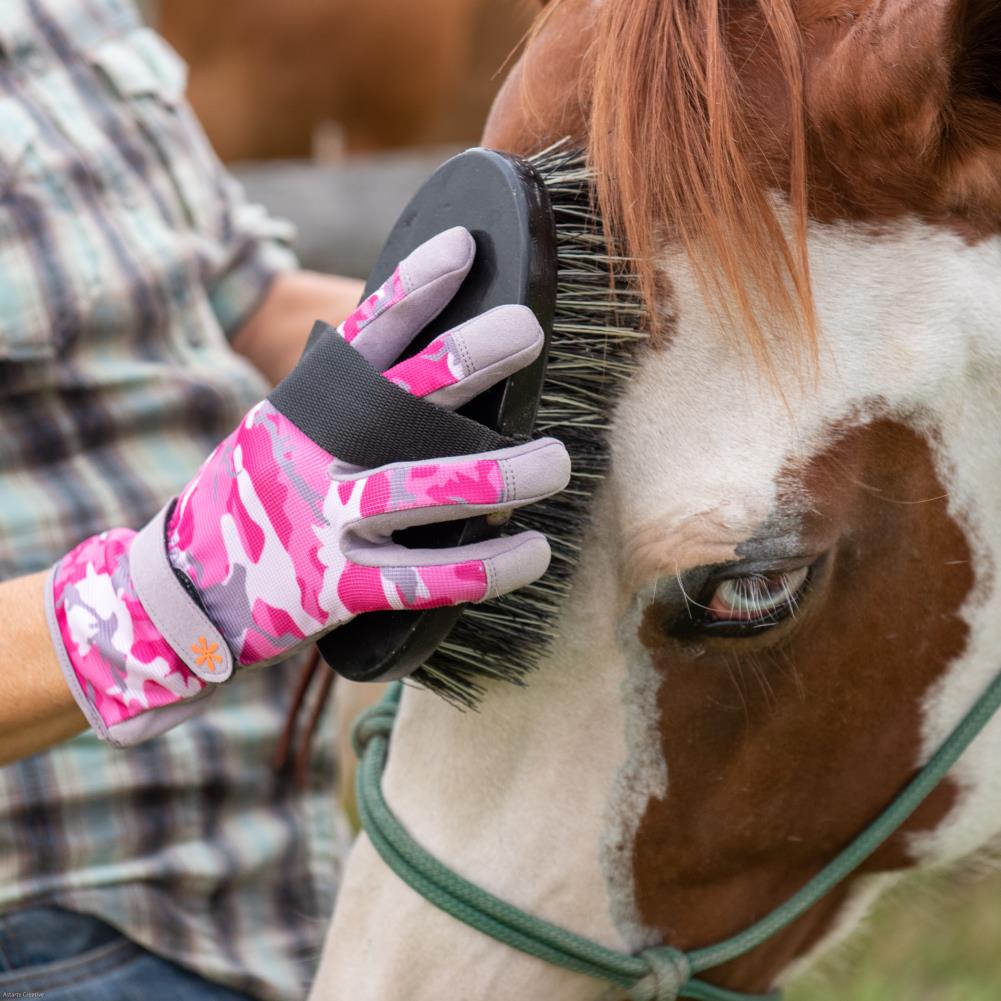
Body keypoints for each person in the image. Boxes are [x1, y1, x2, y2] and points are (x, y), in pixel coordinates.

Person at [0, 3, 569, 999]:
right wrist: (166, 595)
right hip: (53, 923)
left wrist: (551, 346)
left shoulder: (59, 18)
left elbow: (242, 298)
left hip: (279, 876)